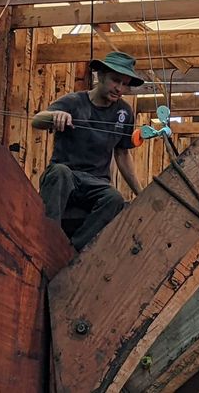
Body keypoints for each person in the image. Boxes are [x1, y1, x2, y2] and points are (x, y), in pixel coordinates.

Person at [32, 51, 144, 250]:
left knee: (114, 198)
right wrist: (54, 116)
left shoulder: (124, 113)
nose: (119, 88)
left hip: (96, 183)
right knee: (60, 172)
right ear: (99, 76)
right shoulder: (74, 101)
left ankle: (73, 251)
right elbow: (37, 120)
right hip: (66, 175)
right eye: (115, 80)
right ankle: (46, 240)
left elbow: (122, 153)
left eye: (125, 84)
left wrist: (141, 193)